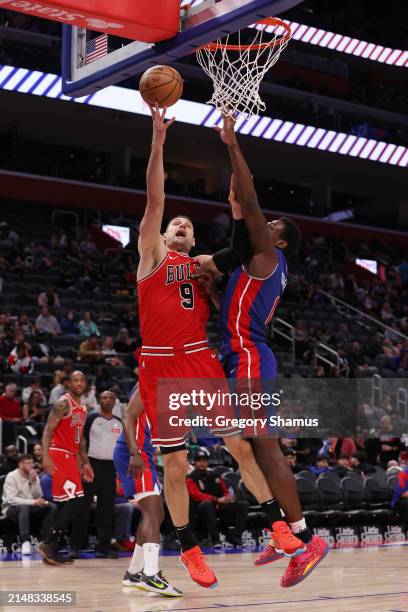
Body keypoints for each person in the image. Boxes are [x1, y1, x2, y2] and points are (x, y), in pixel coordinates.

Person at [137, 106, 298, 589]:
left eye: (188, 222)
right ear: (165, 236)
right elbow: (155, 198)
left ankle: (277, 525)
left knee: (239, 445)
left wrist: (233, 210)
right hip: (162, 366)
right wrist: (158, 141)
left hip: (201, 357)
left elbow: (239, 247)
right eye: (175, 223)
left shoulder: (204, 266)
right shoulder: (151, 254)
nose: (181, 224)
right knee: (177, 462)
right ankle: (187, 549)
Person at [198, 115, 329, 586]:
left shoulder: (269, 255)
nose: (264, 221)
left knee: (265, 445)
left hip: (251, 356)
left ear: (280, 239)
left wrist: (233, 146)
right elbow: (231, 305)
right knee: (252, 444)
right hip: (242, 354)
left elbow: (249, 197)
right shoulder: (257, 263)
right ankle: (289, 534)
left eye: (271, 224)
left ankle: (306, 538)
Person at [114, 386, 182, 597]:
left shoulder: (162, 390)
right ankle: (150, 575)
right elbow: (128, 418)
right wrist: (135, 453)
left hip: (142, 452)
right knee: (153, 513)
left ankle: (134, 572)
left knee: (156, 513)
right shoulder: (148, 383)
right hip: (135, 453)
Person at [38, 370, 94, 565]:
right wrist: (45, 456)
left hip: (71, 457)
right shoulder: (63, 403)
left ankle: (53, 547)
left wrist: (85, 462)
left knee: (72, 502)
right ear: (69, 384)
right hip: (58, 454)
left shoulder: (84, 407)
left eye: (82, 380)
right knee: (70, 502)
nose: (79, 383)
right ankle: (50, 544)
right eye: (75, 380)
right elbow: (47, 430)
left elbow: (81, 439)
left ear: (85, 384)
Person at [69, 390, 122, 559]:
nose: (108, 400)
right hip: (91, 466)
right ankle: (75, 546)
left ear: (115, 401)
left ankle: (103, 548)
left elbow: (121, 449)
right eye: (104, 397)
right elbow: (80, 443)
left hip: (110, 468)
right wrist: (84, 464)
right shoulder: (91, 418)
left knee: (106, 509)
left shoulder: (119, 422)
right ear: (99, 400)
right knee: (82, 507)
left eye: (111, 398)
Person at [187, 450, 249, 548]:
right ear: (194, 463)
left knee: (243, 505)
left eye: (204, 460)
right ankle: (215, 540)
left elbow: (225, 490)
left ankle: (235, 537)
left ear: (208, 462)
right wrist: (216, 499)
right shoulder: (190, 478)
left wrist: (229, 497)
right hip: (201, 509)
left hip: (219, 505)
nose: (202, 463)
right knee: (206, 504)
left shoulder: (216, 476)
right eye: (199, 461)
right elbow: (196, 495)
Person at [2, 454, 56, 556]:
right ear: (21, 465)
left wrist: (34, 481)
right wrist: (33, 502)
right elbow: (11, 499)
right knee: (24, 506)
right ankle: (25, 542)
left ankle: (44, 540)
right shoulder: (11, 476)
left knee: (51, 507)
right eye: (29, 463)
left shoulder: (33, 475)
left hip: (30, 506)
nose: (32, 466)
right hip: (11, 508)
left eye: (32, 463)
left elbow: (39, 495)